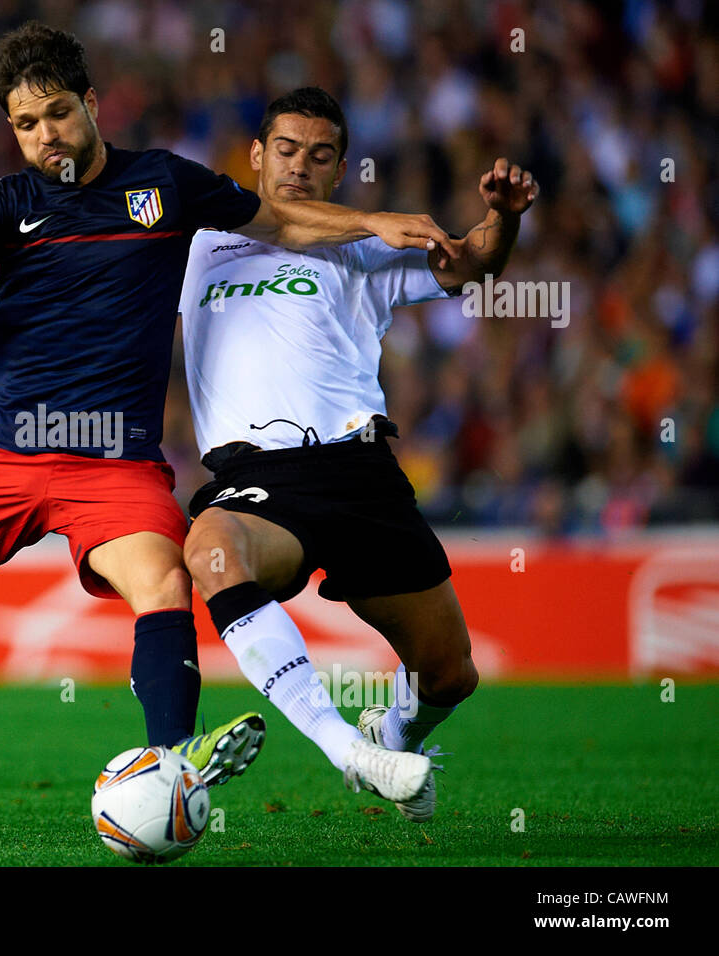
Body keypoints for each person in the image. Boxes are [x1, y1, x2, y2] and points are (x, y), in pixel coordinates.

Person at [0, 25, 457, 805]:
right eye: (26, 123)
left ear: (90, 105)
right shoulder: (5, 203)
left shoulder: (166, 186)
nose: (45, 134)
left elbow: (281, 218)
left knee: (164, 583)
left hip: (112, 460)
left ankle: (171, 765)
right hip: (3, 450)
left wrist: (373, 222)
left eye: (57, 113)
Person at [178, 87, 538, 820]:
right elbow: (89, 267)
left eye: (319, 156)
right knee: (212, 550)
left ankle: (395, 728)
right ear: (255, 156)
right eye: (285, 150)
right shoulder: (194, 243)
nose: (299, 168)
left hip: (361, 472)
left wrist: (503, 218)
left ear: (339, 169)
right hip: (258, 477)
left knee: (450, 674)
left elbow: (472, 265)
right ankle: (350, 749)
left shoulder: (364, 249)